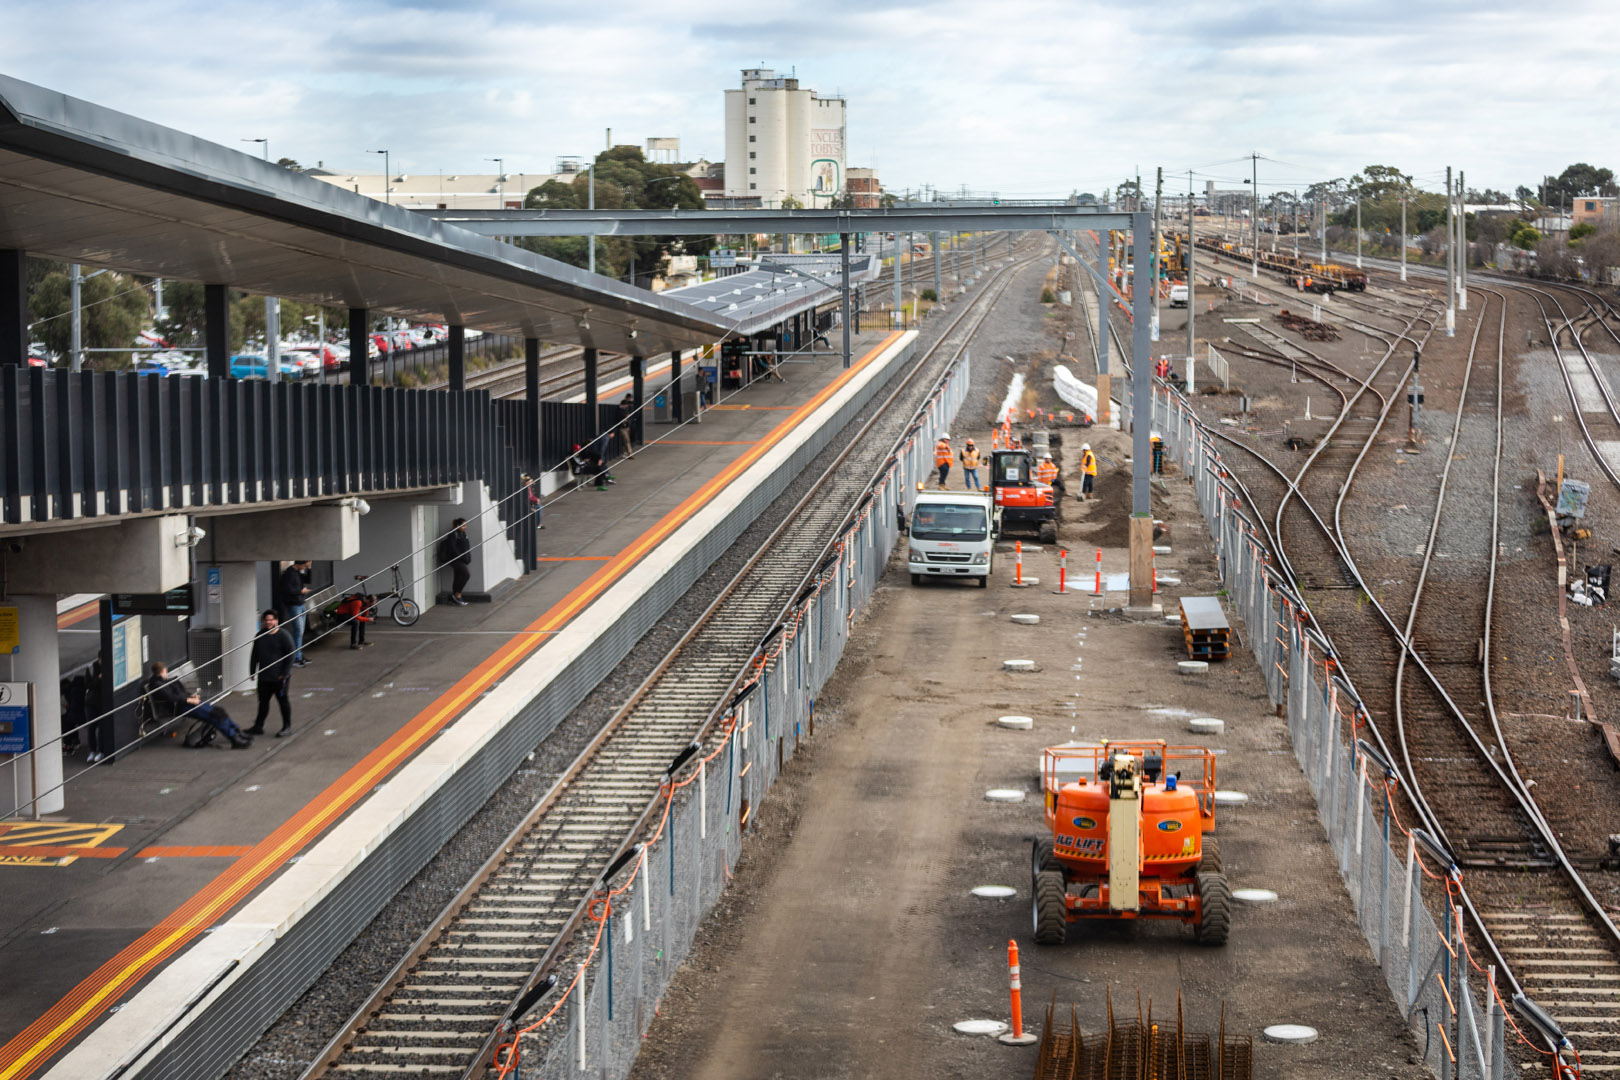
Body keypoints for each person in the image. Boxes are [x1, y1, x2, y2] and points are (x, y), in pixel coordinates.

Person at [145, 661, 251, 749]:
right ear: (163, 670)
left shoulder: (163, 682)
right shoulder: (157, 685)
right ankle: (234, 738)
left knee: (218, 711)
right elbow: (172, 698)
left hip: (186, 703)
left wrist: (191, 697)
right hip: (181, 707)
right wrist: (189, 700)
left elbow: (178, 695)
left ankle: (236, 732)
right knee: (214, 715)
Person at [247, 610, 296, 738]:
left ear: (276, 621)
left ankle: (287, 727)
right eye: (266, 620)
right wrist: (253, 671)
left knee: (283, 701)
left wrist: (284, 673)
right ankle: (258, 726)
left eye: (271, 620)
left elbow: (291, 655)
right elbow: (254, 655)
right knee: (263, 702)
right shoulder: (260, 635)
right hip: (264, 677)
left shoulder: (284, 635)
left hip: (279, 677)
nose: (268, 622)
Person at [280, 560, 312, 667]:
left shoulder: (297, 572)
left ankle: (299, 655)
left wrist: (309, 568)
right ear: (300, 563)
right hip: (294, 604)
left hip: (300, 603)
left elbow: (308, 580)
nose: (305, 567)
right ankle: (295, 657)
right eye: (305, 565)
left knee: (300, 632)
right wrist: (301, 592)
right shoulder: (289, 574)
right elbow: (287, 590)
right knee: (298, 631)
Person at [440, 518, 473, 605]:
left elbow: (467, 547)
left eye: (465, 525)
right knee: (466, 575)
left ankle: (454, 598)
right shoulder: (453, 534)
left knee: (458, 576)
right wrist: (462, 557)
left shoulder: (463, 534)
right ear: (458, 525)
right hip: (456, 560)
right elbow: (452, 548)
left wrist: (468, 557)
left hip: (463, 560)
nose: (465, 527)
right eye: (463, 525)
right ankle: (458, 595)